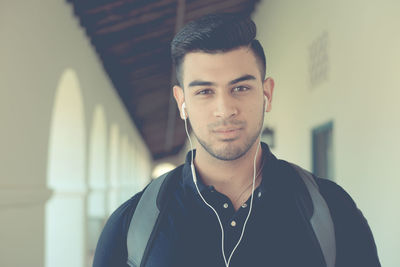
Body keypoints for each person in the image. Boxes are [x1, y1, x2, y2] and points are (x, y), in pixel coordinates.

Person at [93, 13, 380, 267]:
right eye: (204, 92)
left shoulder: (331, 211)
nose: (225, 109)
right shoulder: (132, 226)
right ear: (182, 102)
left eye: (240, 87)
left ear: (266, 94)